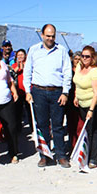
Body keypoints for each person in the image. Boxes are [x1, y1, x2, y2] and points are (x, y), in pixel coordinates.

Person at [24, 23, 72, 168]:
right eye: (48, 36)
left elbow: (67, 72)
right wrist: (27, 91)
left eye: (53, 36)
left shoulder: (62, 50)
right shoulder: (33, 50)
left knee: (57, 126)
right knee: (42, 125)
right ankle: (45, 156)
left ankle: (61, 155)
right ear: (43, 35)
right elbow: (27, 72)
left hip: (57, 92)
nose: (50, 38)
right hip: (38, 92)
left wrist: (65, 92)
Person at [73, 45, 97, 168]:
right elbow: (77, 83)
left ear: (92, 58)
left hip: (95, 104)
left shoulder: (95, 72)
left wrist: (91, 110)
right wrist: (76, 96)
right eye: (83, 56)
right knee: (87, 130)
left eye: (87, 56)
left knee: (94, 130)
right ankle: (86, 154)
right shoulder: (79, 67)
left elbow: (96, 93)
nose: (84, 58)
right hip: (82, 103)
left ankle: (93, 158)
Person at [66, 51, 84, 152]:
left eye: (79, 59)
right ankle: (71, 145)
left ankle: (80, 146)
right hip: (70, 100)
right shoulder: (68, 71)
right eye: (75, 59)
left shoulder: (83, 71)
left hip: (80, 100)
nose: (77, 61)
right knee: (71, 125)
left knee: (80, 125)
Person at [11, 49, 30, 131]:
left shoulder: (29, 65)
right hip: (18, 91)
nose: (20, 56)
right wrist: (18, 67)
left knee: (30, 111)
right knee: (18, 112)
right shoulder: (14, 65)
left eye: (22, 55)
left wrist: (24, 67)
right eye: (18, 55)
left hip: (27, 92)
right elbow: (11, 75)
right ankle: (18, 128)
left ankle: (33, 127)